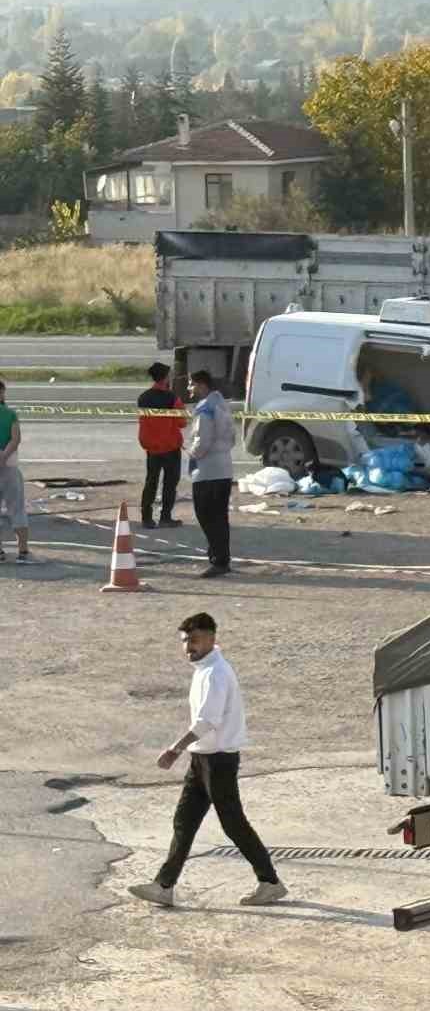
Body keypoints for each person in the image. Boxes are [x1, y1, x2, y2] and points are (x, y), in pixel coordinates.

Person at [127, 612, 287, 909]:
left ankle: (270, 882)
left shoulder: (216, 673)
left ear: (212, 638)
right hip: (202, 759)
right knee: (184, 822)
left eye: (195, 640)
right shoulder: (204, 669)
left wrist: (175, 749)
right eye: (185, 641)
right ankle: (163, 886)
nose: (189, 647)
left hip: (219, 761)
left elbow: (207, 721)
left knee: (234, 824)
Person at [186, 371, 236, 579]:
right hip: (223, 468)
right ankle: (221, 558)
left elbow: (203, 440)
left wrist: (191, 452)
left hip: (208, 471)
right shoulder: (222, 405)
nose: (189, 388)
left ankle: (218, 560)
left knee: (207, 516)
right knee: (220, 517)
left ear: (202, 385)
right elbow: (232, 437)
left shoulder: (205, 408)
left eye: (192, 384)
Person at [138, 362, 186, 530]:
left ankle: (146, 518)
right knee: (170, 484)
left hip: (152, 447)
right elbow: (182, 422)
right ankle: (165, 517)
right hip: (170, 447)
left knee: (151, 482)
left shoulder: (143, 398)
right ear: (165, 377)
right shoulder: (172, 398)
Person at [0, 375, 30, 564]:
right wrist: (4, 455)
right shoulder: (10, 414)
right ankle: (23, 551)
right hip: (9, 466)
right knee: (17, 509)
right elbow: (16, 439)